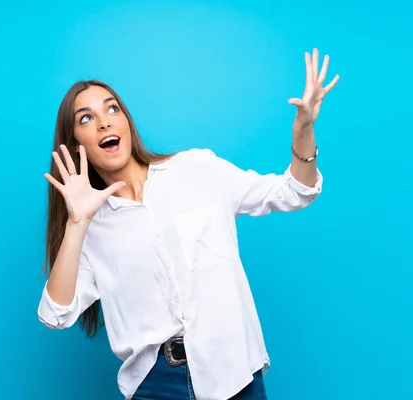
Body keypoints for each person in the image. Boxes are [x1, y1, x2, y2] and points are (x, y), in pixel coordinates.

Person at [37, 48, 339, 400]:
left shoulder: (196, 169)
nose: (104, 121)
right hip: (156, 386)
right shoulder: (90, 229)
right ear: (76, 146)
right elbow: (55, 314)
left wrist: (304, 130)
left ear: (126, 122)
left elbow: (295, 191)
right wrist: (77, 223)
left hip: (234, 374)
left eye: (112, 108)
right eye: (86, 118)